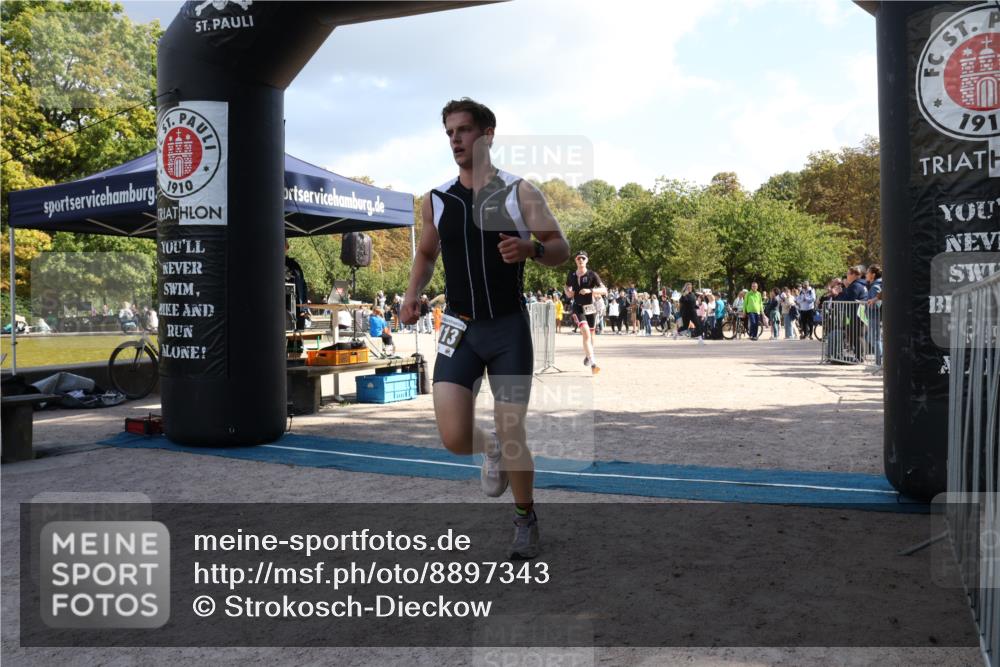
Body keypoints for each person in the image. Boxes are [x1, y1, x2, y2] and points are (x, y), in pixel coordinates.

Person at [400, 98, 570, 559]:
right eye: (450, 132)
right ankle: (489, 447)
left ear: (488, 133)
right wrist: (412, 292)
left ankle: (524, 518)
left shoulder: (519, 193)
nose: (456, 140)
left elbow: (561, 247)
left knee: (513, 430)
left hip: (508, 327)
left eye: (464, 130)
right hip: (460, 328)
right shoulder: (438, 199)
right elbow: (427, 253)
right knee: (454, 438)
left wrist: (532, 249)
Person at [566, 251, 607, 372]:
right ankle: (594, 364)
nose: (580, 260)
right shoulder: (571, 275)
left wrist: (590, 291)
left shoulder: (592, 275)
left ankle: (588, 355)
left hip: (590, 307)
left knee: (591, 335)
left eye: (583, 258)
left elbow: (604, 290)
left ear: (586, 260)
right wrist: (568, 292)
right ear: (575, 260)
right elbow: (566, 286)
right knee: (586, 333)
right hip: (578, 307)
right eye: (578, 258)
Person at [284, 240, 310, 331]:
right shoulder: (270, 264)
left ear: (287, 248)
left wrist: (304, 308)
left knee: (298, 340)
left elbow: (303, 286)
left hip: (298, 309)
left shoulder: (295, 265)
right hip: (282, 310)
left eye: (285, 246)